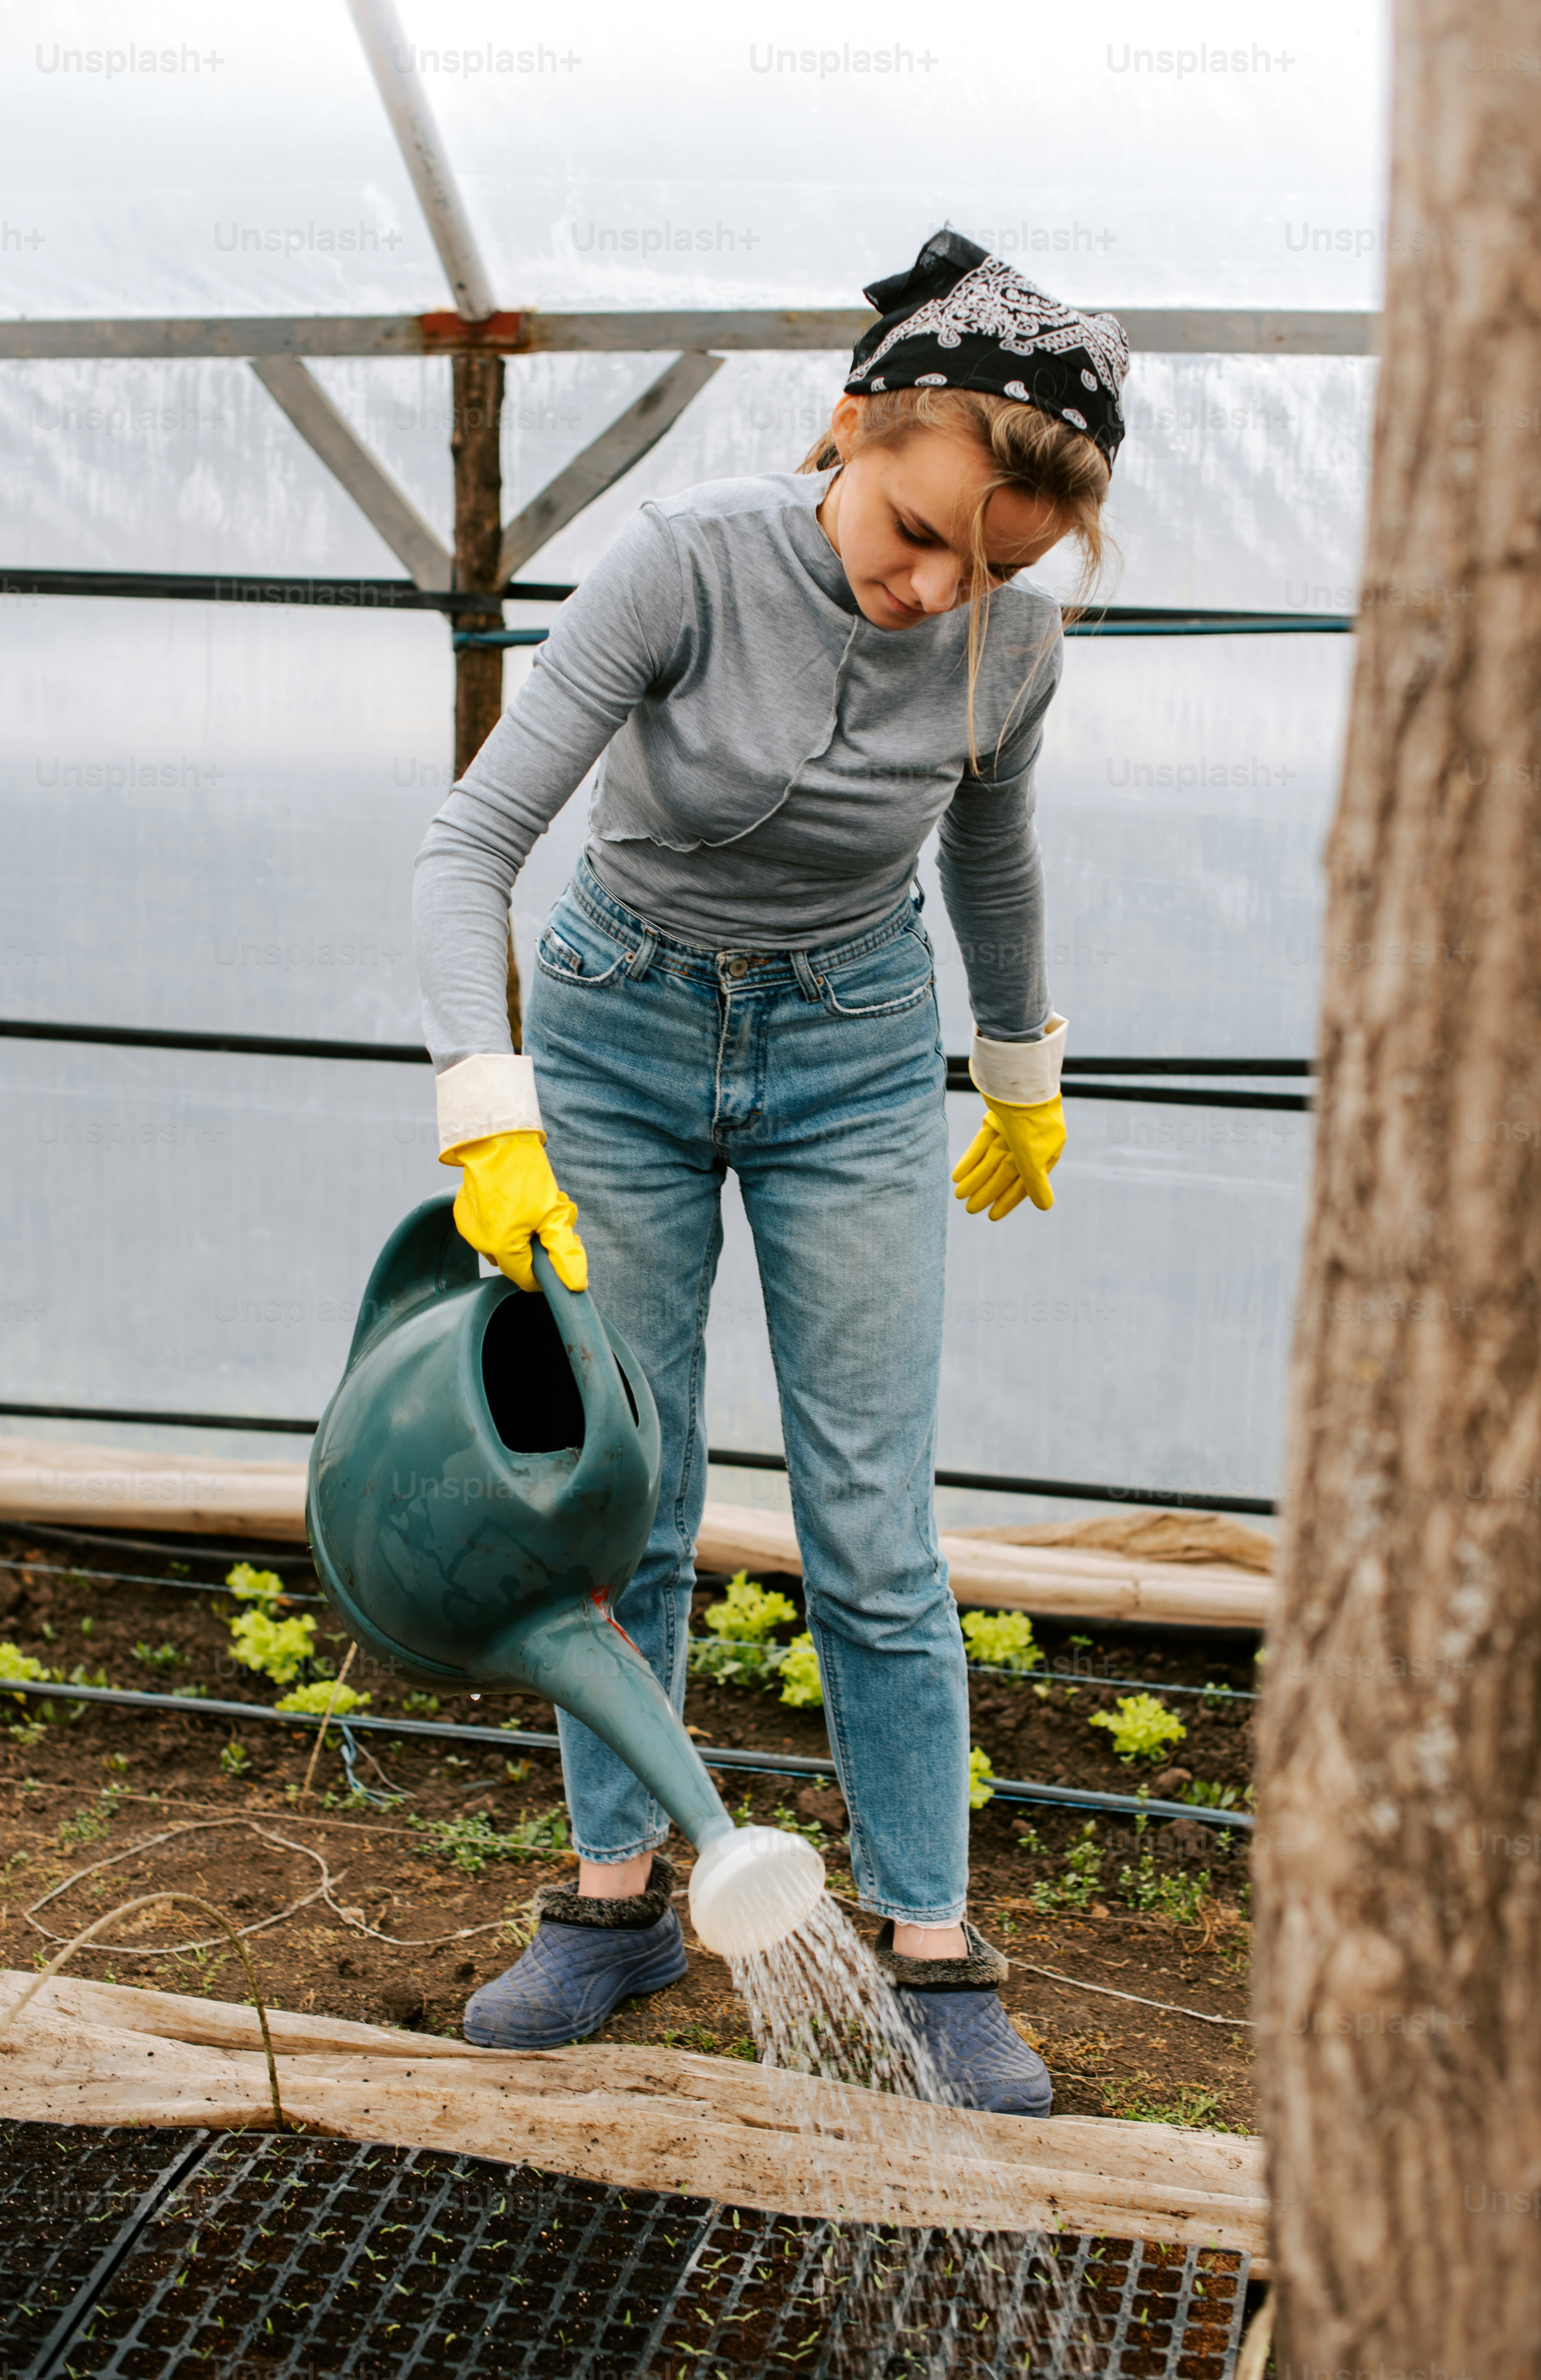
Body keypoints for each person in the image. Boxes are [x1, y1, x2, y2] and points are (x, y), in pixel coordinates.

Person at [413, 231, 1125, 2112]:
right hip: (619, 1034)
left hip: (851, 1052)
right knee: (624, 1498)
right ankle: (613, 1901)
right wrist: (486, 1105)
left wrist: (1019, 1066)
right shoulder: (684, 564)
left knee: (872, 1524)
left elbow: (989, 853)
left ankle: (929, 1941)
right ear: (846, 432)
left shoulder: (1012, 640)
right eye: (912, 535)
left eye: (990, 570)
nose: (933, 594)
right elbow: (470, 841)